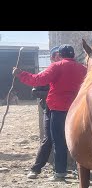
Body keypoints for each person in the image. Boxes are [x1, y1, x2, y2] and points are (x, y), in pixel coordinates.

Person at [13, 44, 87, 181]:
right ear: (73, 55)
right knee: (77, 139)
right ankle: (79, 170)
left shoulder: (56, 66)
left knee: (58, 140)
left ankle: (60, 172)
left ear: (60, 54)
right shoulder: (83, 69)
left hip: (57, 108)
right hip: (76, 108)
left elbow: (38, 80)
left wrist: (20, 74)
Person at [27, 46, 61, 179]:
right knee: (48, 139)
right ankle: (36, 168)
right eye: (56, 55)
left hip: (66, 110)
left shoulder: (66, 72)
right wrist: (51, 94)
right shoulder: (46, 72)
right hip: (49, 109)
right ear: (52, 57)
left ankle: (67, 169)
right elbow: (35, 91)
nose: (59, 58)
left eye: (60, 55)